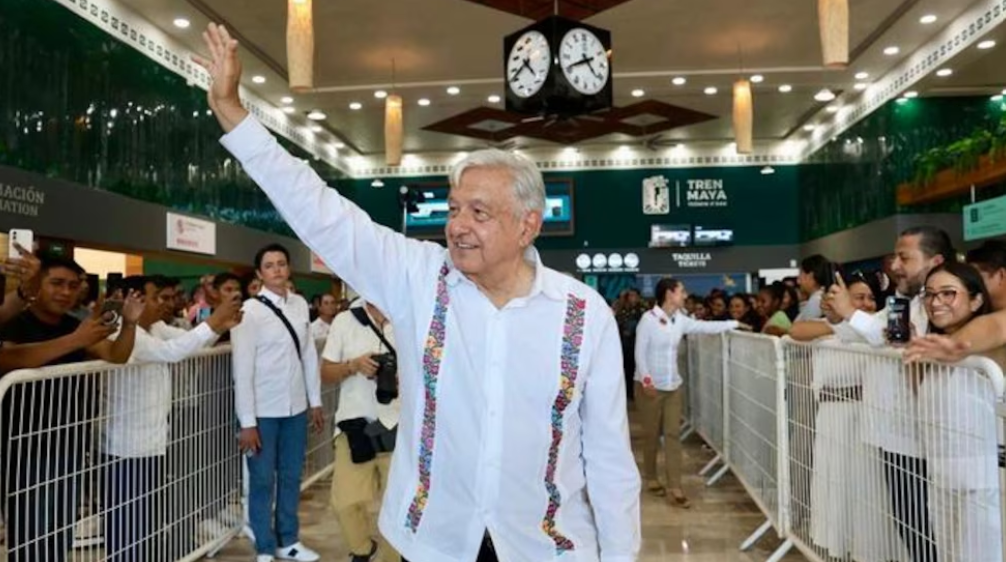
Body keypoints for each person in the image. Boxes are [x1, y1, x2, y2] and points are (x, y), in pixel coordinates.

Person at [196, 23, 640, 562]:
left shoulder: (582, 315)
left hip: (544, 547)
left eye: (480, 213)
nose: (458, 226)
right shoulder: (421, 279)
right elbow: (321, 213)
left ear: (528, 225)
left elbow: (611, 460)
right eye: (454, 210)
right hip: (433, 541)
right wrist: (232, 111)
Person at [0, 254, 143, 562]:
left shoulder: (77, 324)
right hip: (25, 444)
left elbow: (115, 355)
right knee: (31, 529)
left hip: (71, 439)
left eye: (73, 286)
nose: (66, 292)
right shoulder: (14, 322)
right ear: (37, 284)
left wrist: (129, 323)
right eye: (57, 283)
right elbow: (13, 359)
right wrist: (74, 340)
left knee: (60, 528)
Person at [826, 226, 954, 562]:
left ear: (936, 261)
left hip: (925, 436)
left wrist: (851, 312)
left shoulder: (939, 307)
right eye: (895, 257)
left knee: (930, 528)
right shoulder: (906, 302)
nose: (895, 265)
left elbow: (886, 335)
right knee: (910, 525)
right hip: (894, 435)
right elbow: (869, 334)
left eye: (905, 257)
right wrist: (838, 316)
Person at [102, 275, 242, 562]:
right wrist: (214, 321)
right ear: (134, 300)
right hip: (125, 445)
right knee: (126, 522)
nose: (167, 304)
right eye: (159, 298)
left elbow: (189, 343)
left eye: (169, 298)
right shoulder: (121, 332)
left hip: (153, 441)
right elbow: (171, 352)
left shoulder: (155, 327)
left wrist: (218, 325)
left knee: (145, 519)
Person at [791, 273, 906, 562]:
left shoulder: (875, 325)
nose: (867, 303)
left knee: (868, 489)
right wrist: (835, 323)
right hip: (833, 419)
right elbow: (797, 331)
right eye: (859, 297)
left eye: (870, 297)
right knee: (838, 486)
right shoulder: (834, 326)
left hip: (866, 418)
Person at [230, 243, 324, 562]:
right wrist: (248, 423)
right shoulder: (249, 313)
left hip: (295, 408)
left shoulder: (299, 305)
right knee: (261, 479)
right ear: (259, 274)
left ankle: (289, 540)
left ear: (289, 268)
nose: (277, 270)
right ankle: (265, 546)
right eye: (269, 265)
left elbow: (308, 356)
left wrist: (315, 401)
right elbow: (242, 370)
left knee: (291, 475)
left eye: (281, 264)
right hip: (262, 412)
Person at [916, 262, 1002, 562]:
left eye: (948, 293)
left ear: (977, 299)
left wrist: (954, 346)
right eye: (929, 294)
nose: (936, 302)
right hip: (942, 481)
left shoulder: (987, 340)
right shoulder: (930, 349)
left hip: (982, 485)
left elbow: (999, 323)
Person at [634, 278, 744, 508]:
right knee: (651, 434)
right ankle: (651, 477)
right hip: (649, 387)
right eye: (681, 291)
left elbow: (705, 327)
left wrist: (733, 324)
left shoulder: (680, 320)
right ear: (669, 294)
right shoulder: (648, 320)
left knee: (672, 435)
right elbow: (640, 354)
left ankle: (675, 487)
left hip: (673, 385)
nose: (685, 295)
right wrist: (646, 380)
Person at [321, 300, 401, 562]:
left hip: (401, 424)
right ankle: (363, 549)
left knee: (399, 506)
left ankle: (394, 557)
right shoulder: (345, 320)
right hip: (355, 425)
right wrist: (353, 366)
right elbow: (326, 372)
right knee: (344, 501)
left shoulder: (408, 316)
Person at [796, 254, 831, 321]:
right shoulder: (819, 297)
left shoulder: (817, 300)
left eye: (801, 274)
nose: (798, 281)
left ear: (810, 276)